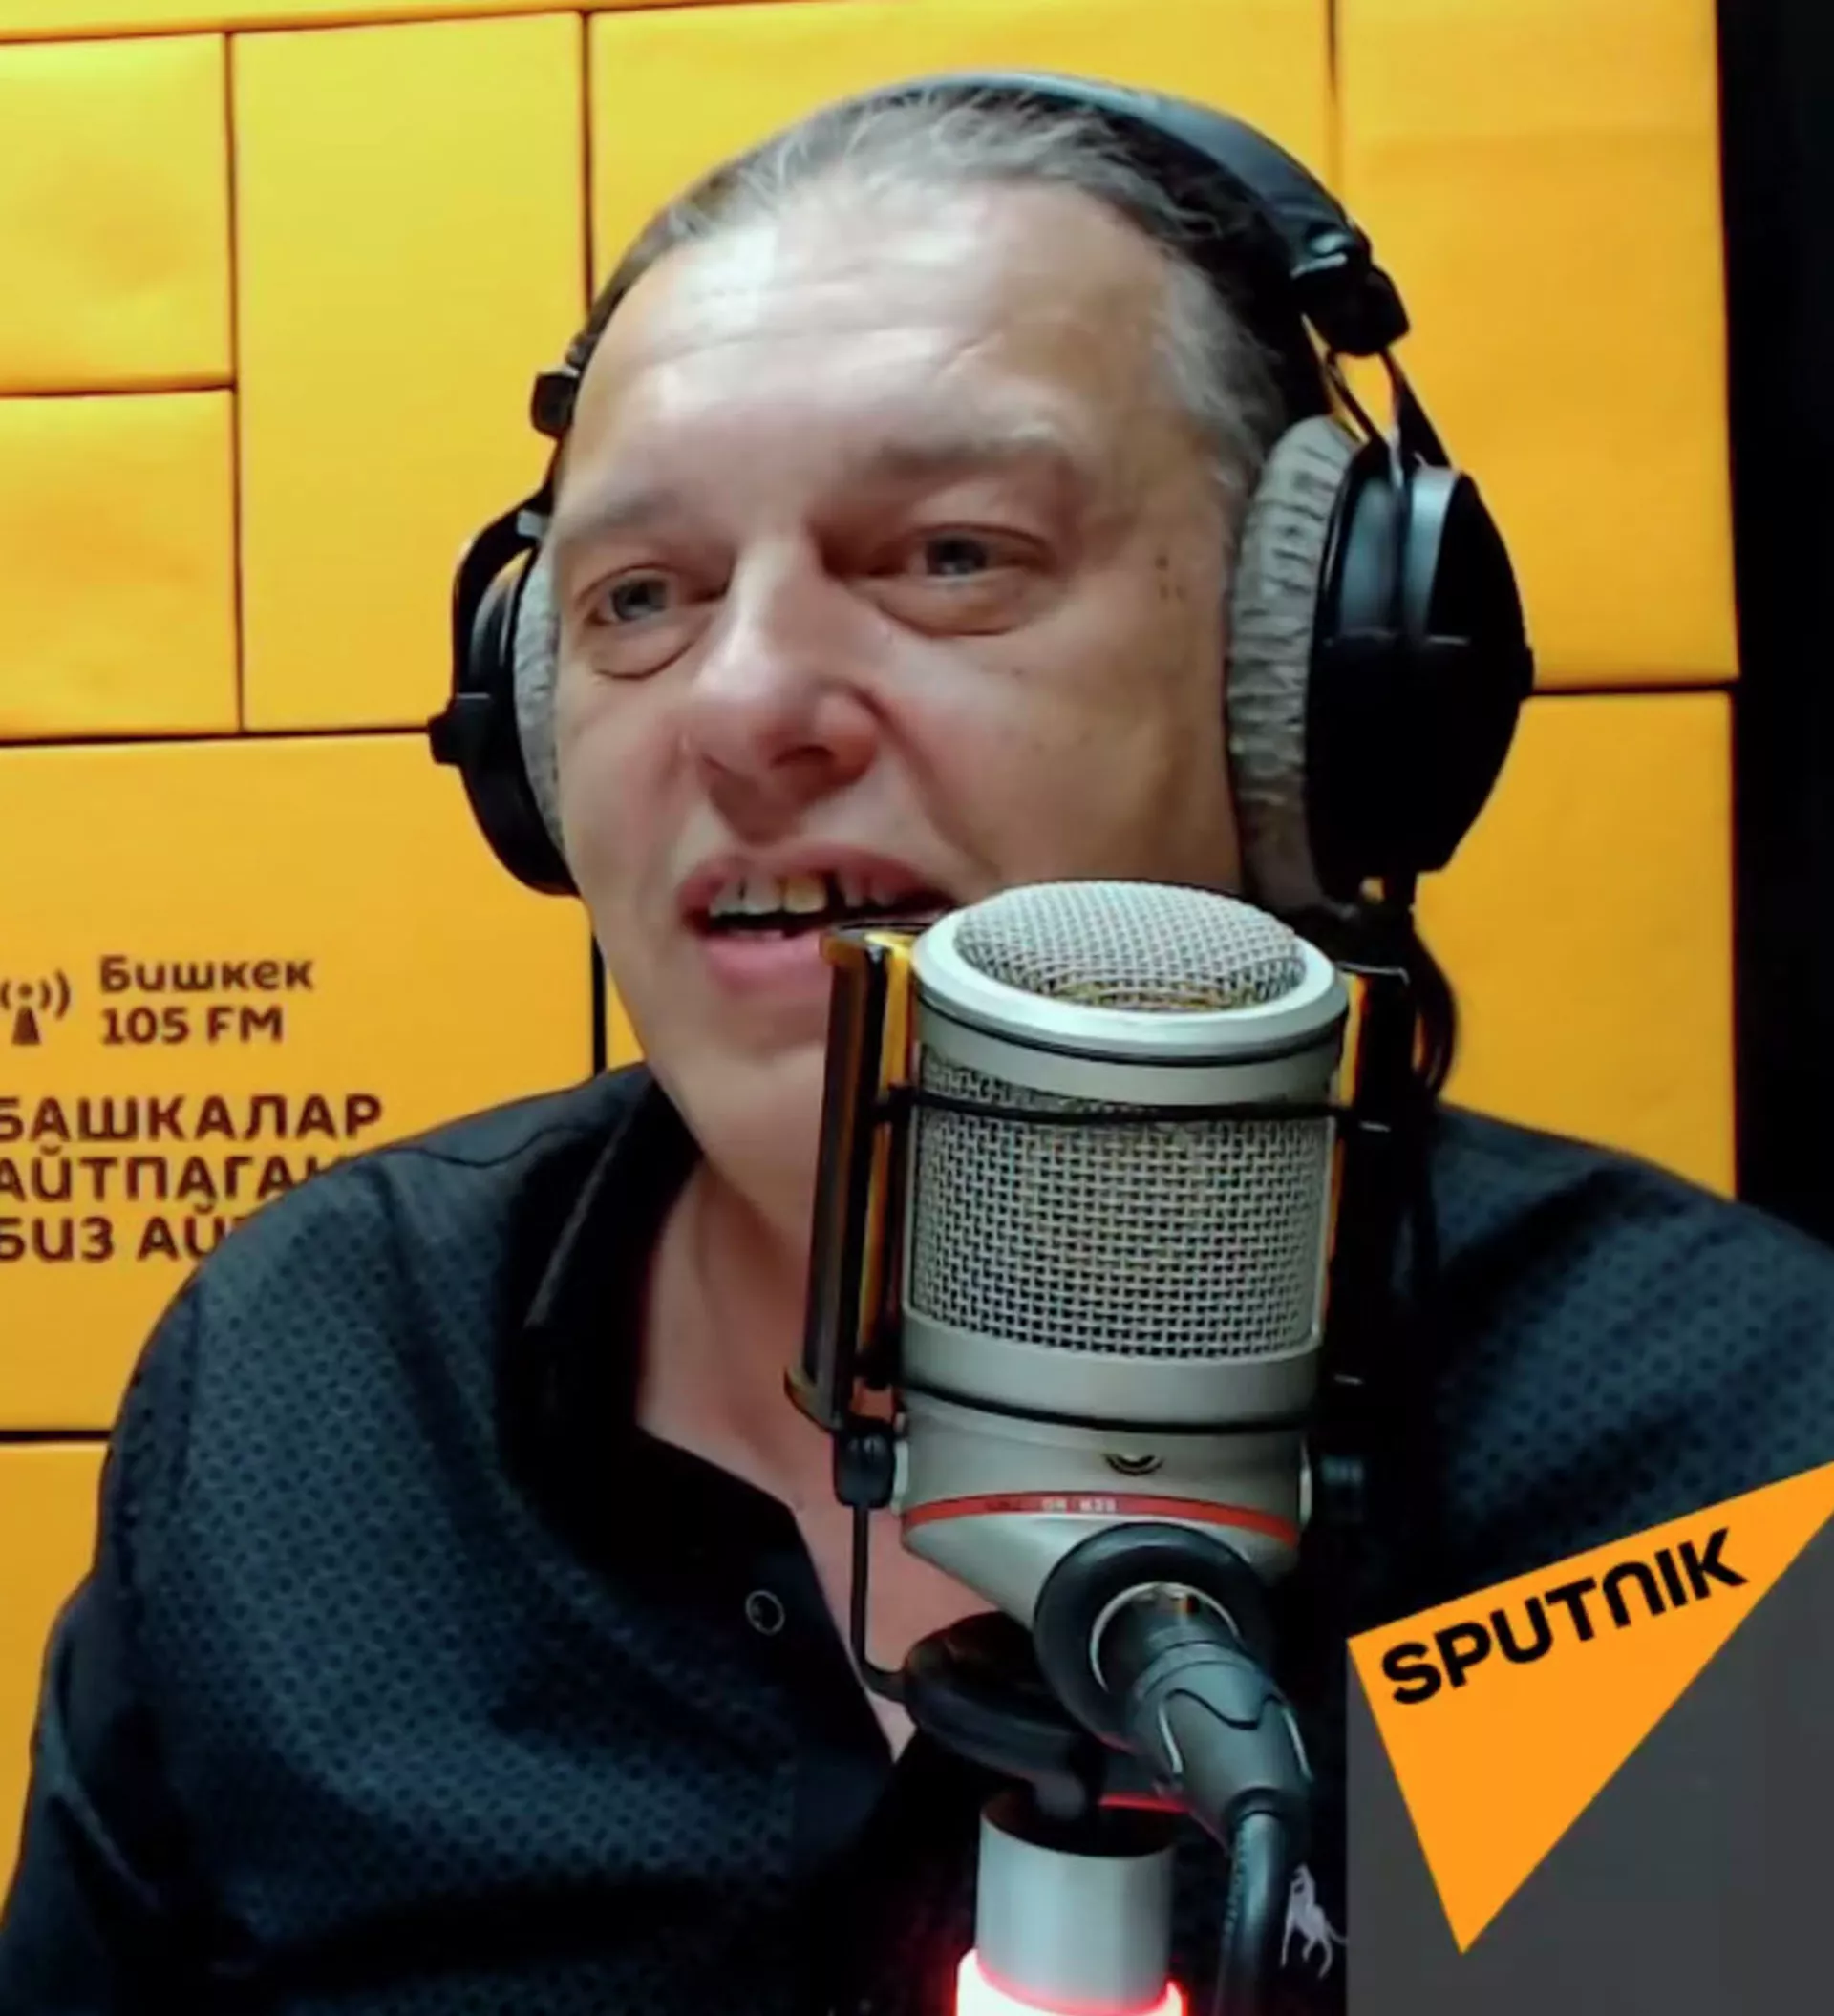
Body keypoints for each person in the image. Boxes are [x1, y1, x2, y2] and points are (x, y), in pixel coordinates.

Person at [3, 74, 1833, 2016]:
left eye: (952, 554)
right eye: (640, 599)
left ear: (1309, 675)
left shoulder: (1693, 1454)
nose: (746, 705)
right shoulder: (304, 1381)